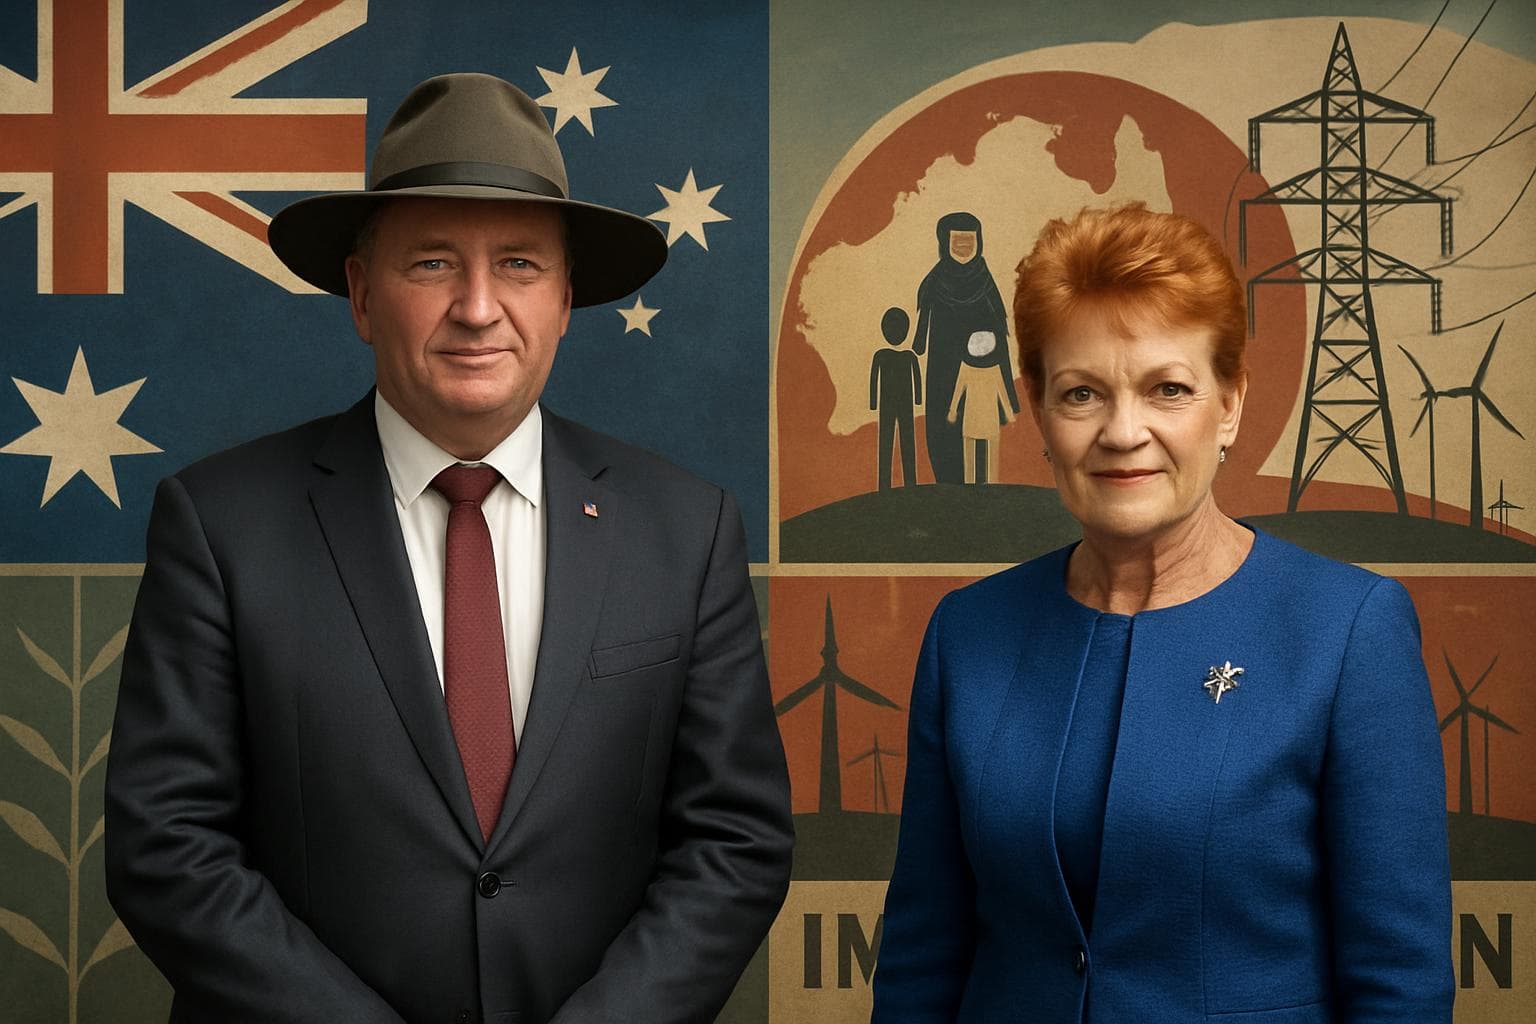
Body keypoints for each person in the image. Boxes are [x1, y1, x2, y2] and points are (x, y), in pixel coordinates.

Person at [104, 73, 794, 1024]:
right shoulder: (220, 525)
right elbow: (165, 846)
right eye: (432, 264)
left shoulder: (687, 530)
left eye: (518, 265)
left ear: (564, 300)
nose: (478, 307)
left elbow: (736, 841)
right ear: (360, 292)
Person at [871, 204, 1452, 1022]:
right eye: (1081, 394)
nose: (1123, 431)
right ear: (1035, 407)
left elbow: (1400, 986)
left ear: (1231, 404)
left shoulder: (1348, 630)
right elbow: (920, 964)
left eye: (1168, 389)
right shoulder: (966, 635)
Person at [912, 212, 1016, 485]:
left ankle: (978, 488)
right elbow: (924, 322)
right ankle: (947, 484)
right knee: (942, 420)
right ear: (944, 242)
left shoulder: (985, 281)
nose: (962, 247)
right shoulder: (936, 281)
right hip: (942, 364)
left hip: (981, 367)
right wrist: (919, 343)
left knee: (977, 429)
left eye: (968, 241)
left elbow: (999, 328)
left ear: (978, 242)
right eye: (956, 241)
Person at [946, 329, 1019, 484]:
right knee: (992, 456)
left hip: (971, 417)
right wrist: (1010, 415)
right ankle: (992, 485)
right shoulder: (995, 370)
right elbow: (1003, 395)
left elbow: (958, 391)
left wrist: (952, 411)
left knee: (969, 454)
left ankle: (970, 486)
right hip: (990, 418)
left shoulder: (965, 367)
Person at [870, 306, 922, 490]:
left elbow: (917, 378)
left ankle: (910, 483)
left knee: (908, 441)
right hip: (887, 404)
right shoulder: (881, 356)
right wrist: (873, 402)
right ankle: (884, 485)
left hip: (904, 404)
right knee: (886, 440)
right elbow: (874, 379)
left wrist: (918, 399)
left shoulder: (910, 356)